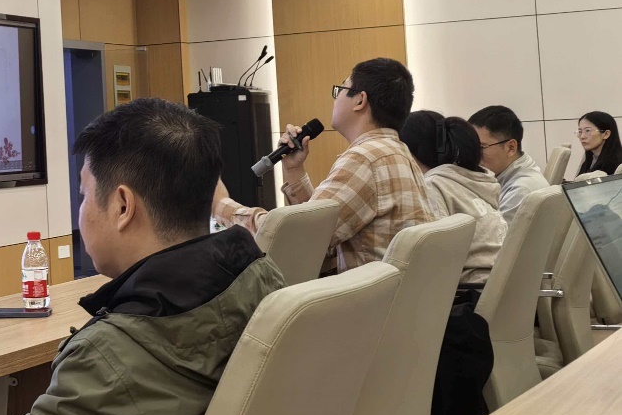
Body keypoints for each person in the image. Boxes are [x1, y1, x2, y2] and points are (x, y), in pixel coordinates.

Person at [0, 98, 284, 415]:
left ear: (123, 206)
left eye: (84, 194)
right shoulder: (262, 279)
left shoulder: (108, 363)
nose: (81, 211)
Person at [214, 57, 438, 273]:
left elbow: (292, 238)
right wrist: (294, 169)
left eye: (340, 89)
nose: (335, 98)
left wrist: (219, 205)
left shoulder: (366, 159)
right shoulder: (396, 151)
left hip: (369, 298)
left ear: (360, 101)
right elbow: (322, 226)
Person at [399, 111, 507, 285]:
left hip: (471, 291)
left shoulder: (433, 185)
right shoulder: (477, 178)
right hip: (502, 283)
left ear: (409, 152)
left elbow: (436, 258)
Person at [467, 105, 548, 224]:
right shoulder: (509, 175)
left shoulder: (521, 190)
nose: (474, 155)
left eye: (481, 147)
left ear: (511, 147)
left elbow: (494, 235)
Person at [575, 111, 622, 177]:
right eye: (580, 131)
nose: (582, 136)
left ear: (606, 134)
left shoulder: (614, 165)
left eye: (587, 131)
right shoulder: (590, 160)